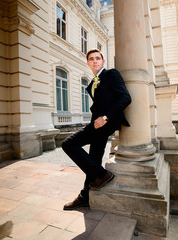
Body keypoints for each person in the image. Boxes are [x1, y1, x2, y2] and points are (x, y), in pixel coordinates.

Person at [62, 49, 132, 210]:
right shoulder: (92, 83)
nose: (95, 61)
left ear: (103, 61)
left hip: (105, 122)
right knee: (93, 159)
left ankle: (102, 174)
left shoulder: (111, 74)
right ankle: (85, 196)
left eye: (98, 58)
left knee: (68, 144)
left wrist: (105, 117)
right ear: (88, 63)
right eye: (91, 59)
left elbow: (125, 98)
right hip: (96, 123)